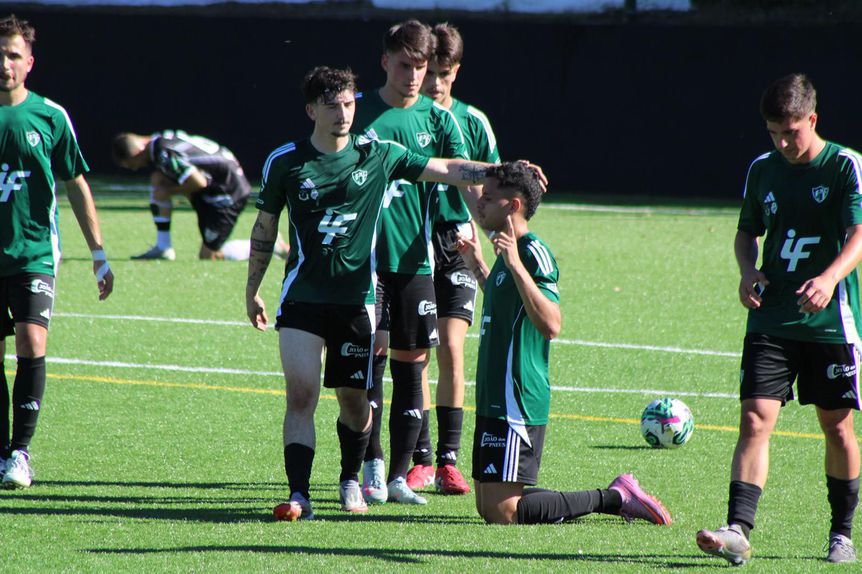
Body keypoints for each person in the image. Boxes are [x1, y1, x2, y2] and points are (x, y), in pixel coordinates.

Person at [245, 66, 535, 520]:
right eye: (332, 106)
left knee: (353, 401)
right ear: (311, 110)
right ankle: (299, 494)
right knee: (300, 395)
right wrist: (253, 289)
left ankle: (349, 477)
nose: (343, 113)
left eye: (348, 103)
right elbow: (264, 228)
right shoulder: (285, 161)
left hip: (356, 302)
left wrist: (503, 171)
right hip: (302, 298)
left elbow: (446, 169)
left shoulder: (378, 154)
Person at [696, 73, 861, 565]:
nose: (783, 143)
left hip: (830, 321)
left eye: (791, 132)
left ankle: (841, 533)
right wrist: (747, 271)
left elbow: (859, 234)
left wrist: (829, 278)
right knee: (754, 418)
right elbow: (747, 232)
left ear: (813, 119)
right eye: (774, 133)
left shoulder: (845, 166)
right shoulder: (762, 169)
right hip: (771, 319)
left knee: (837, 427)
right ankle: (737, 531)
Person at [455, 161, 670, 526]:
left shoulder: (531, 252)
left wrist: (515, 264)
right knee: (488, 507)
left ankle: (616, 497)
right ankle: (613, 496)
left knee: (504, 513)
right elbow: (507, 302)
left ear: (513, 205)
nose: (479, 203)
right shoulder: (507, 250)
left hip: (517, 395)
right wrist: (477, 265)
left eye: (488, 197)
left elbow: (551, 324)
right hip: (494, 392)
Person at [352, 19, 473, 505]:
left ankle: (400, 477)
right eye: (404, 66)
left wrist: (503, 177)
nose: (414, 76)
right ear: (385, 62)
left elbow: (460, 172)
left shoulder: (439, 120)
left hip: (416, 262)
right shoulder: (357, 112)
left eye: (420, 67)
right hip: (366, 263)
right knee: (371, 362)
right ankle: (372, 465)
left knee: (412, 365)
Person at [0, 14, 114, 488]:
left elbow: (76, 183)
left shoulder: (50, 116)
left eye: (13, 55)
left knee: (31, 342)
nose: (4, 64)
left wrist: (98, 253)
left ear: (29, 62)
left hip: (35, 253)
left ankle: (19, 453)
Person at [406, 22, 501, 496]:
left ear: (456, 71)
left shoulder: (473, 121)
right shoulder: (408, 117)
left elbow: (492, 190)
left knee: (452, 346)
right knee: (418, 352)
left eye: (444, 74)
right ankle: (421, 460)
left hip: (457, 241)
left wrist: (494, 237)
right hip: (412, 242)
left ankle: (448, 461)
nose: (435, 83)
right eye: (429, 73)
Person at [112, 130, 264, 261]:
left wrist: (169, 192)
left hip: (228, 193)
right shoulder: (162, 139)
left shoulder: (163, 152)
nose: (135, 168)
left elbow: (199, 182)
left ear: (137, 152)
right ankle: (163, 247)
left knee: (208, 256)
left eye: (132, 164)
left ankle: (266, 244)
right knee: (158, 179)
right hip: (218, 184)